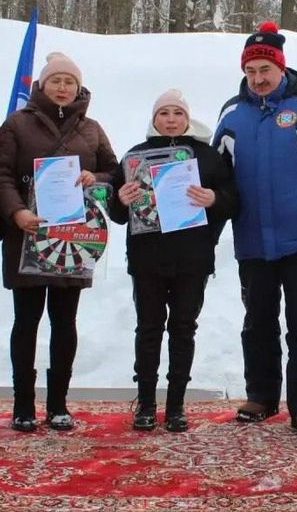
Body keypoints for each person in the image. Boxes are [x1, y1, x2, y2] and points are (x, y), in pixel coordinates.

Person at [212, 20, 297, 439]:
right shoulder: (233, 113)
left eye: (265, 70)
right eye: (251, 71)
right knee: (258, 321)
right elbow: (215, 176)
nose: (258, 79)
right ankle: (262, 395)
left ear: (281, 67)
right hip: (252, 240)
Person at [0, 52, 118, 432]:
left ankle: (59, 404)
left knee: (65, 321)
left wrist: (92, 177)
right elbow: (0, 175)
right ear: (42, 85)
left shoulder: (92, 128)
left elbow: (113, 170)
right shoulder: (17, 124)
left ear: (79, 88)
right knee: (26, 321)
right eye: (56, 81)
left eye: (70, 82)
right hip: (28, 234)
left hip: (73, 240)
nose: (63, 88)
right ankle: (23, 405)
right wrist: (16, 213)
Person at [111, 89, 237, 432]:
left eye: (177, 113)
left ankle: (177, 405)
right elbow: (117, 214)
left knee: (183, 329)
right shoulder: (135, 157)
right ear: (154, 119)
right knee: (148, 330)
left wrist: (213, 198)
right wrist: (121, 200)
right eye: (163, 113)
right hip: (147, 259)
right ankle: (147, 404)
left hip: (192, 259)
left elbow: (232, 201)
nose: (170, 119)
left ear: (187, 118)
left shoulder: (207, 157)